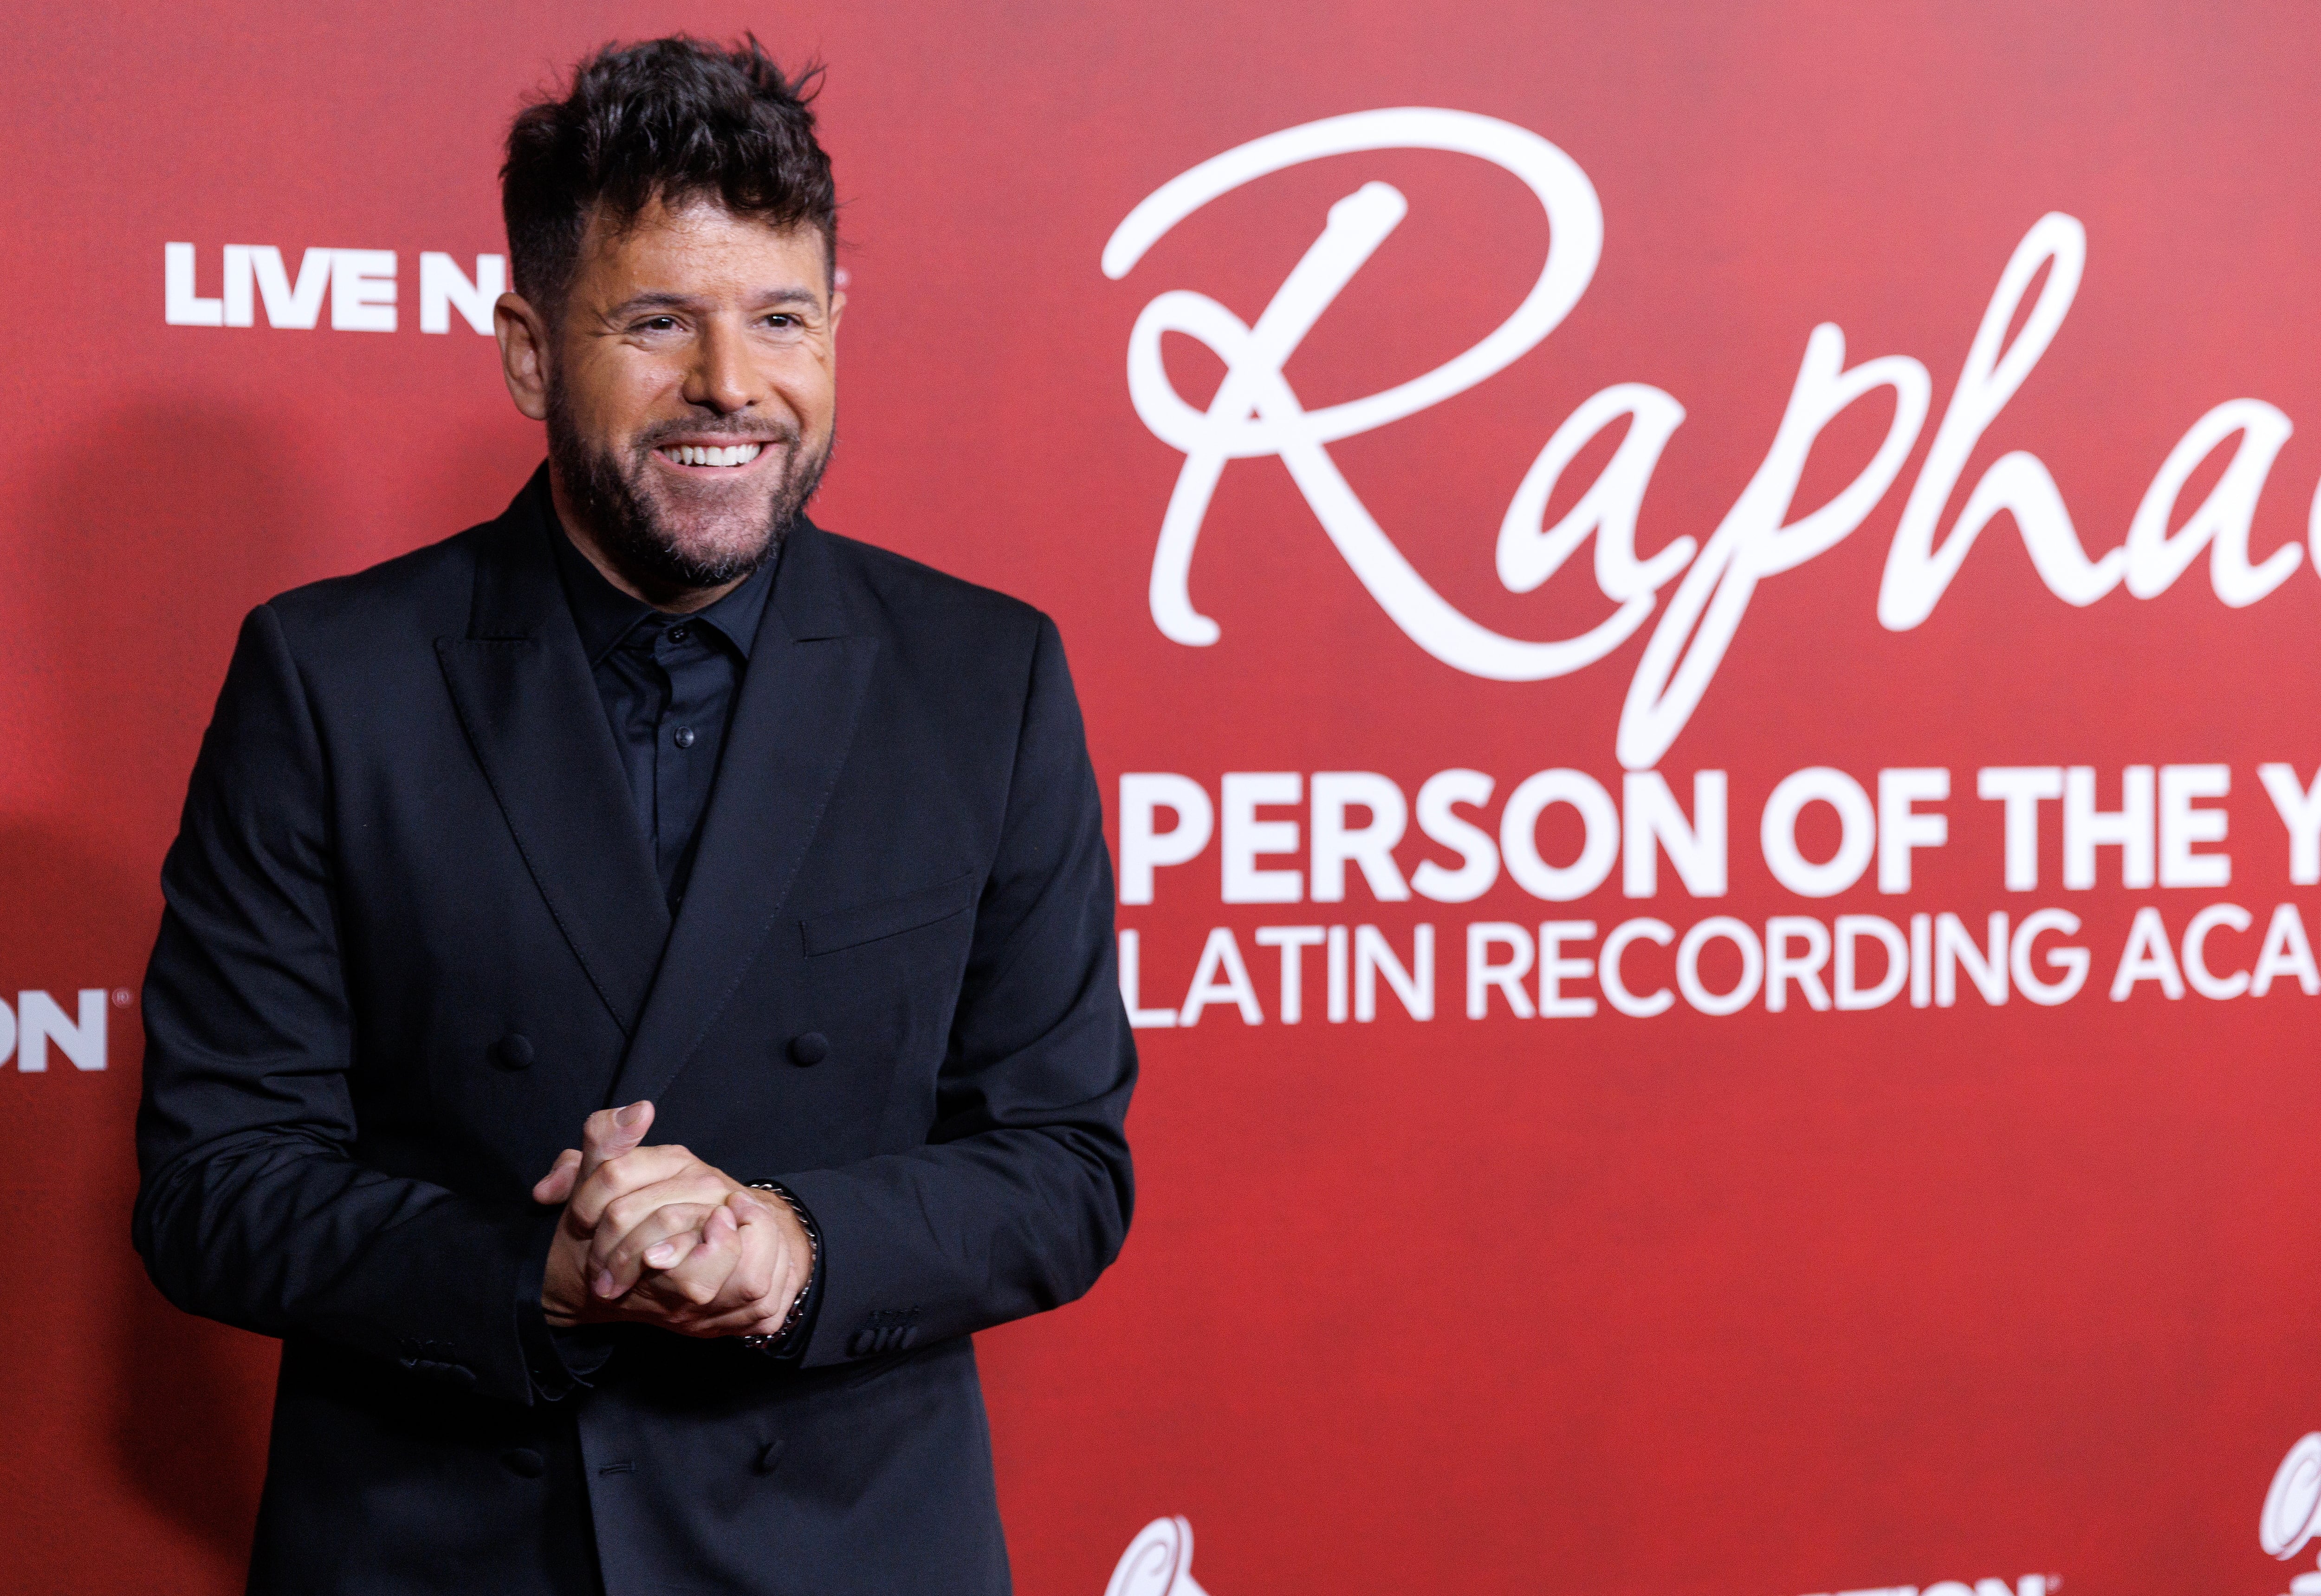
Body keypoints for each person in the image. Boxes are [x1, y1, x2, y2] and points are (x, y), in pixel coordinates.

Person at [132, 35, 1135, 1596]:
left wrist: (787, 1249)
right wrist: (536, 1273)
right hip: (445, 1548)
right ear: (531, 351)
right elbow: (214, 1187)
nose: (730, 386)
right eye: (659, 322)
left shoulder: (982, 674)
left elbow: (1066, 1163)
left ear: (836, 327)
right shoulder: (331, 679)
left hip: (850, 1549)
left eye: (780, 320)